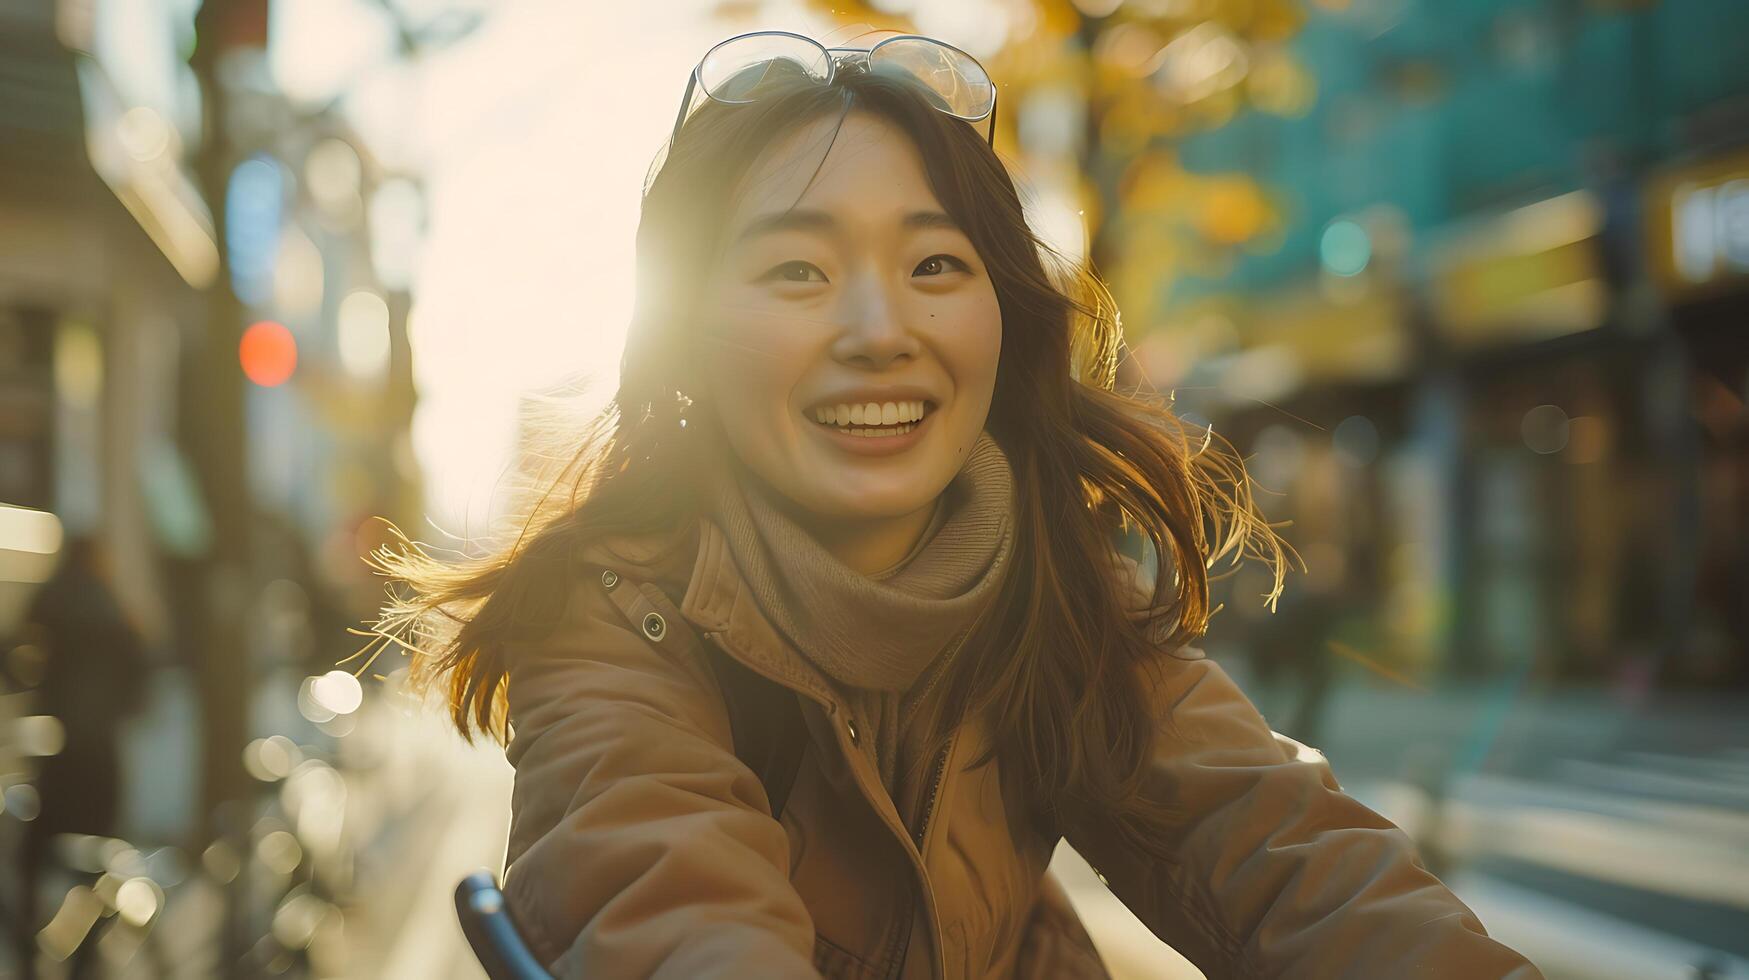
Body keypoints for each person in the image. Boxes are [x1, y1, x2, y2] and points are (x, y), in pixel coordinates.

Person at [372, 30, 1542, 979]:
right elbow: (666, 904)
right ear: (684, 337)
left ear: (1003, 315)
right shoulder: (614, 621)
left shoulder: (1050, 586)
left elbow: (1286, 850)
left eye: (936, 264)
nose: (882, 332)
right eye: (797, 271)